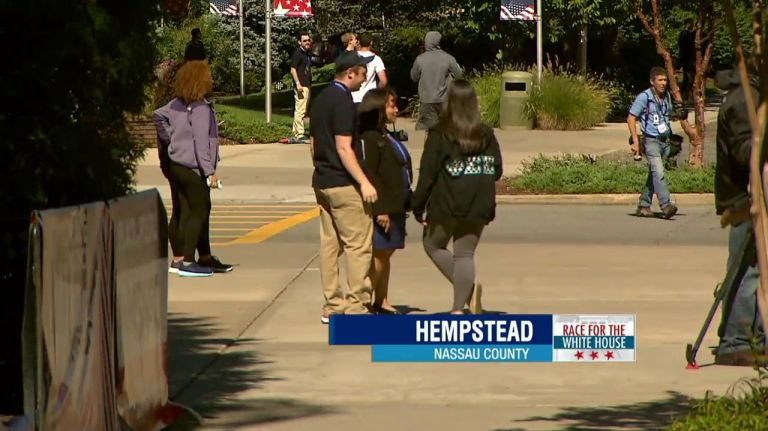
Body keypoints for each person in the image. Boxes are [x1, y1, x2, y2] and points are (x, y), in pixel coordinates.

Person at [411, 80, 503, 315]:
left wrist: (417, 205)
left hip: (448, 203)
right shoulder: (486, 134)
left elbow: (428, 174)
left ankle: (467, 292)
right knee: (465, 254)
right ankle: (459, 308)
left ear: (448, 102)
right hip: (479, 201)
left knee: (432, 245)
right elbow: (497, 170)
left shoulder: (440, 134)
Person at [310, 51, 377, 323]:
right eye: (363, 74)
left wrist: (320, 170)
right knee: (358, 246)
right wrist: (364, 182)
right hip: (344, 183)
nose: (365, 79)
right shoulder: (344, 103)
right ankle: (357, 308)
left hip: (323, 180)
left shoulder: (321, 98)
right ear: (350, 73)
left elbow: (314, 144)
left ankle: (332, 305)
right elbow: (343, 146)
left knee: (330, 244)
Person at [153, 60, 233, 277]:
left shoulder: (177, 104)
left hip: (177, 164)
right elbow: (201, 142)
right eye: (209, 76)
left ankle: (193, 259)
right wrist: (209, 171)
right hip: (192, 167)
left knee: (187, 210)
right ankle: (187, 261)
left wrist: (171, 141)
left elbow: (158, 115)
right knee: (200, 209)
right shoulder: (199, 108)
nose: (212, 80)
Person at [712, 65, 765, 366]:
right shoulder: (745, 99)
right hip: (745, 198)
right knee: (747, 271)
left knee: (757, 269)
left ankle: (751, 334)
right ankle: (736, 340)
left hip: (755, 196)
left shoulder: (754, 95)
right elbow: (747, 151)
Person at [358, 88, 413, 314]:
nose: (396, 109)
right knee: (380, 254)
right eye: (391, 105)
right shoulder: (369, 138)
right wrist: (379, 210)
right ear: (379, 109)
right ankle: (364, 300)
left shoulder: (385, 135)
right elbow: (370, 174)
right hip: (384, 207)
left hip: (397, 203)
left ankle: (382, 300)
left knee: (386, 253)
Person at [628, 67, 679, 219]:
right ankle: (666, 205)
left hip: (665, 141)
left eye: (665, 80)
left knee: (654, 174)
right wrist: (636, 141)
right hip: (651, 141)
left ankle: (644, 205)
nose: (663, 83)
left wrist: (678, 114)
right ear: (652, 82)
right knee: (659, 173)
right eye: (660, 80)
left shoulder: (667, 97)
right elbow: (631, 118)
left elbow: (668, 115)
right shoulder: (644, 97)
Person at [410, 31, 463, 131]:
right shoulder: (448, 58)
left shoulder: (420, 59)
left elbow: (413, 77)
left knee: (426, 126)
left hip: (426, 99)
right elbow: (459, 75)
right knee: (445, 127)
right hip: (444, 99)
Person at [351, 33, 388, 106]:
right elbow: (383, 81)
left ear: (359, 42)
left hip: (353, 97)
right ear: (371, 42)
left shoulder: (352, 57)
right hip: (369, 98)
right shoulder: (376, 59)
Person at [290, 31, 314, 142]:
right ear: (299, 42)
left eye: (308, 40)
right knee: (300, 110)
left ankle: (296, 132)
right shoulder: (297, 54)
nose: (307, 42)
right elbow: (293, 69)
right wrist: (298, 83)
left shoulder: (307, 53)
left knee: (302, 109)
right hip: (301, 85)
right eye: (304, 41)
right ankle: (299, 134)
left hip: (307, 84)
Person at [677, 19, 696, 104]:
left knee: (692, 78)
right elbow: (682, 48)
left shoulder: (693, 34)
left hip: (693, 59)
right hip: (686, 59)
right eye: (690, 23)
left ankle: (688, 96)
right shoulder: (683, 34)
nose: (691, 24)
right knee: (687, 78)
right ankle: (683, 96)